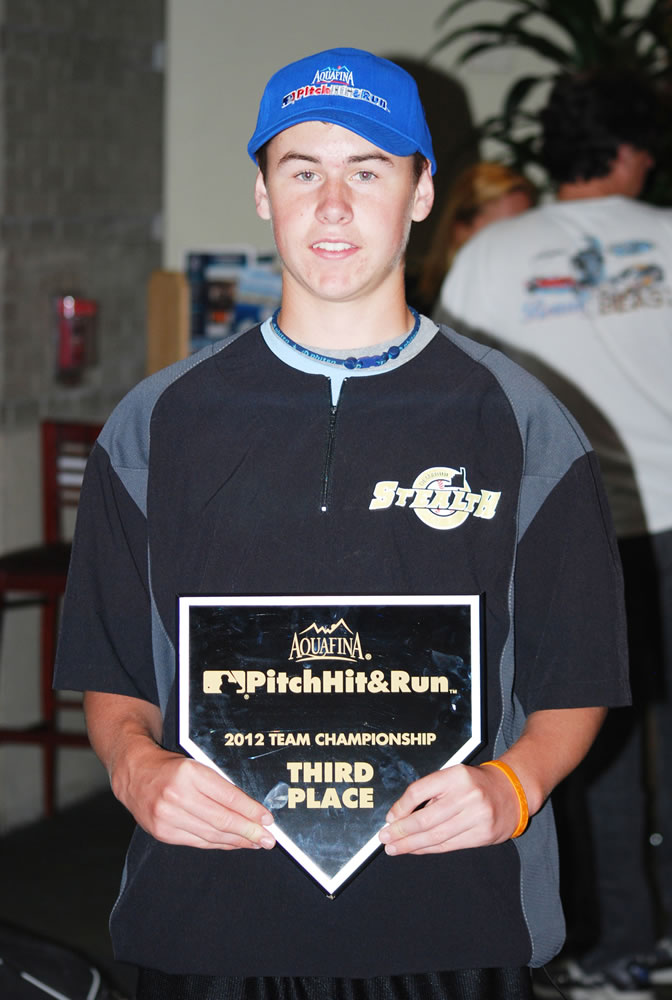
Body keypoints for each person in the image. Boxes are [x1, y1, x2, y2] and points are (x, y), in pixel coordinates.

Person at [54, 48, 630, 1000]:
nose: (332, 205)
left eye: (367, 170)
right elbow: (112, 673)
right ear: (262, 193)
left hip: (448, 915)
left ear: (418, 193)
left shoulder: (519, 422)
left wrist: (515, 786)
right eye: (301, 170)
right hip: (209, 920)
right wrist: (134, 769)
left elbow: (577, 673)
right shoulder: (157, 425)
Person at [438, 68, 672, 999]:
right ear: (629, 149)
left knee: (593, 748)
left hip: (569, 537)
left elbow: (457, 404)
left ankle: (616, 949)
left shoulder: (495, 256)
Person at [416, 161, 536, 314]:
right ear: (461, 228)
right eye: (505, 230)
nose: (520, 242)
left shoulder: (531, 296)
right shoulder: (413, 307)